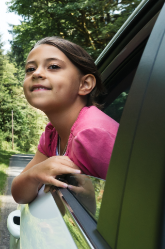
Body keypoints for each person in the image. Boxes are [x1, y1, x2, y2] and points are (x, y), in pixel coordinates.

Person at [11, 37, 119, 205]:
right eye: (30, 69)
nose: (37, 73)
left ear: (85, 84)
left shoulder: (92, 133)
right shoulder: (52, 134)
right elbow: (20, 195)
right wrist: (35, 173)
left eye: (53, 66)